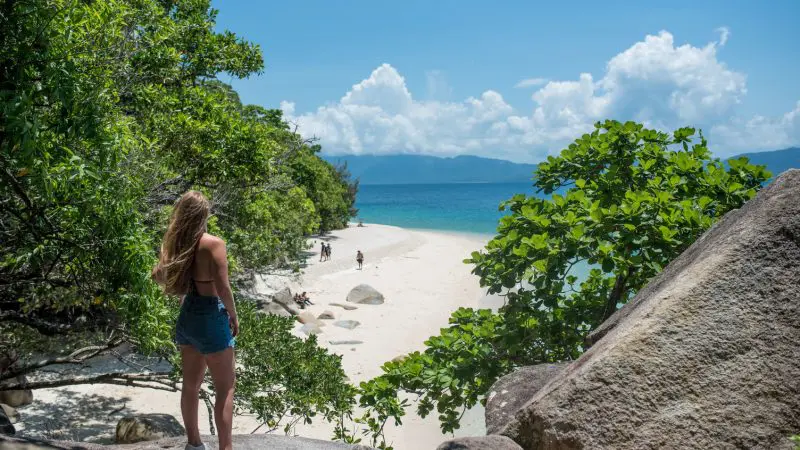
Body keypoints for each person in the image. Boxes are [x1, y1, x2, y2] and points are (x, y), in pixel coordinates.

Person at [152, 191, 238, 450]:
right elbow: (223, 289)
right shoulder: (214, 244)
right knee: (225, 388)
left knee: (190, 385)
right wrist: (234, 316)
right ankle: (226, 448)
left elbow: (158, 276)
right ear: (204, 214)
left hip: (188, 313)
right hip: (212, 314)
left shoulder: (175, 244)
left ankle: (194, 444)